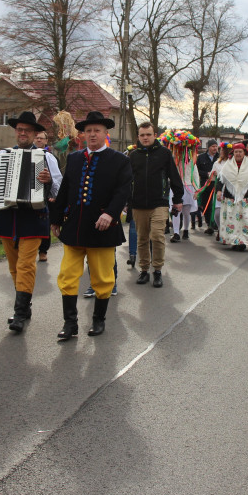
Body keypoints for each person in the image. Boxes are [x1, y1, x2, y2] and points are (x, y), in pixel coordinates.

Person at [50, 111, 132, 340]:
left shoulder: (120, 160)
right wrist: (56, 219)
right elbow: (65, 189)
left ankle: (98, 320)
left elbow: (123, 190)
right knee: (67, 275)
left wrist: (111, 214)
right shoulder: (75, 159)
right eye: (88, 131)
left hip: (102, 229)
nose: (92, 134)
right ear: (83, 135)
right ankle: (70, 324)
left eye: (97, 130)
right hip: (74, 228)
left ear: (106, 133)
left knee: (103, 279)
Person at [0, 111, 62, 332]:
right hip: (7, 218)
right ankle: (25, 305)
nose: (23, 133)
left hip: (34, 218)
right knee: (13, 266)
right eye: (19, 129)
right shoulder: (1, 156)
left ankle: (18, 313)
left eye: (27, 130)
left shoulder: (47, 158)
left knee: (26, 265)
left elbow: (58, 189)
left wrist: (47, 183)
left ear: (35, 133)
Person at [127, 122, 183, 288]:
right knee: (142, 239)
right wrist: (126, 202)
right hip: (138, 204)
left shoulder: (164, 153)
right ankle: (144, 270)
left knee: (157, 236)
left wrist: (178, 199)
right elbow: (127, 180)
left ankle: (157, 270)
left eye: (148, 134)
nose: (145, 138)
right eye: (142, 135)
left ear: (154, 135)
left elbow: (174, 176)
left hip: (159, 202)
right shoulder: (133, 155)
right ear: (138, 137)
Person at [214, 142, 248, 251]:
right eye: (236, 152)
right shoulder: (228, 164)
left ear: (244, 152)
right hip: (231, 198)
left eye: (240, 152)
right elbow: (220, 179)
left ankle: (244, 241)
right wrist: (218, 191)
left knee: (246, 221)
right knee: (232, 222)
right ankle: (234, 241)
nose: (238, 154)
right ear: (233, 153)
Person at [35, 129, 53, 262]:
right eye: (37, 137)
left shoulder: (50, 157)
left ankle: (43, 250)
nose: (39, 140)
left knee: (45, 225)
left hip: (45, 197)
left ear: (46, 141)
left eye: (41, 138)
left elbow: (57, 179)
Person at [197, 140, 218, 234]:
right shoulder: (201, 157)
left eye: (216, 146)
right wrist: (206, 174)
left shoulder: (220, 157)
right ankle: (209, 224)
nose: (215, 148)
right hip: (205, 184)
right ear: (208, 147)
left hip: (217, 185)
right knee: (206, 204)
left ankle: (216, 223)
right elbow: (197, 170)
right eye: (213, 146)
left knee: (216, 204)